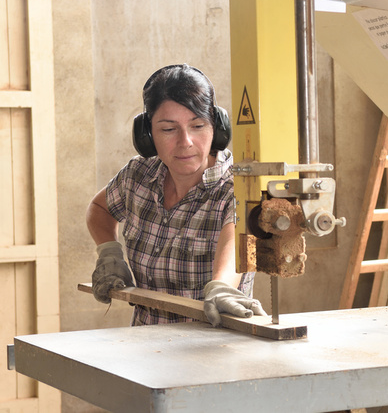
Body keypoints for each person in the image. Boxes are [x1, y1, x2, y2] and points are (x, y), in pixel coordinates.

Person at [86, 64, 265, 326]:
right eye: (169, 129)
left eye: (198, 125)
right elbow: (99, 209)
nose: (186, 142)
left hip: (212, 355)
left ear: (217, 128)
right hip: (146, 350)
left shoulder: (238, 189)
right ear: (146, 135)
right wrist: (109, 251)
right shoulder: (138, 176)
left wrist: (222, 287)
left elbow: (235, 244)